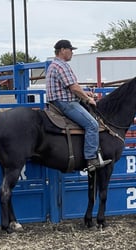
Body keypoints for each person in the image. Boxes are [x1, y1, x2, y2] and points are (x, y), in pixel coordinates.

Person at [45, 39, 111, 171]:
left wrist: (85, 93)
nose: (72, 53)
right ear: (63, 50)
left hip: (58, 101)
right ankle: (91, 159)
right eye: (70, 50)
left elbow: (70, 88)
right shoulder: (61, 66)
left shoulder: (54, 65)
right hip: (65, 103)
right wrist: (87, 99)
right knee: (92, 125)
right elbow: (74, 87)